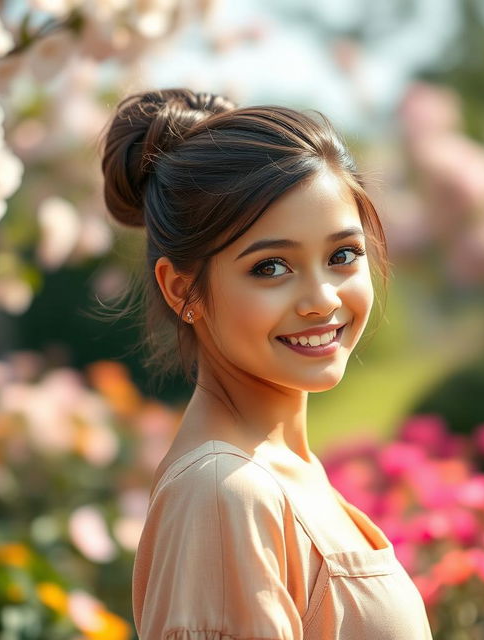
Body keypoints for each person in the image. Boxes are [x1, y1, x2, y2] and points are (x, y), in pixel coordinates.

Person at [100, 88, 434, 640]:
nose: (322, 298)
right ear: (184, 290)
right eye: (272, 266)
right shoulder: (223, 491)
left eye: (342, 255)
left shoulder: (279, 472)